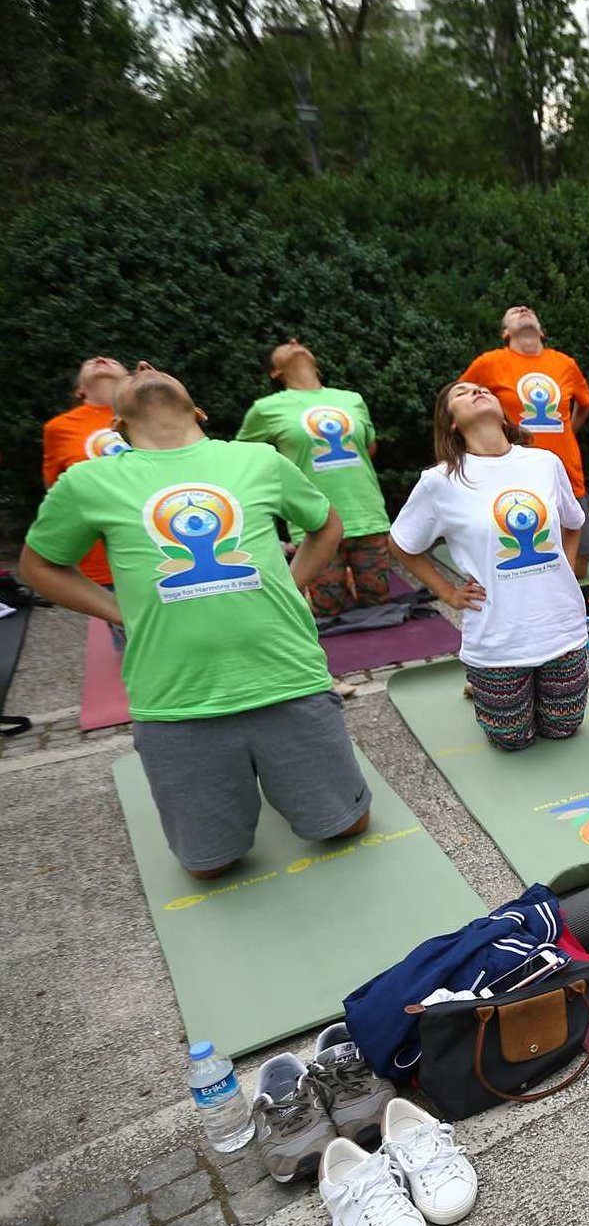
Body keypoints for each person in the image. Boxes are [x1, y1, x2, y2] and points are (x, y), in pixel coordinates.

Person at [22, 364, 370, 876]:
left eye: (153, 367)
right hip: (175, 704)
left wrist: (288, 585)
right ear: (116, 423)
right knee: (210, 865)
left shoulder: (257, 459)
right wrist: (117, 611)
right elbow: (39, 566)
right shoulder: (88, 481)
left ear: (198, 410)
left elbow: (326, 526)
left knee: (343, 826)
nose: (143, 367)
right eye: (132, 370)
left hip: (290, 680)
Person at [391, 379, 589, 750]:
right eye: (462, 394)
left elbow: (573, 523)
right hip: (497, 638)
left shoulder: (544, 462)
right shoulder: (440, 482)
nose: (476, 391)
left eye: (481, 389)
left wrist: (565, 570)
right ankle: (482, 684)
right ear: (452, 423)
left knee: (564, 729)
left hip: (560, 628)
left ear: (502, 411)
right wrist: (448, 593)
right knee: (512, 740)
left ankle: (504, 690)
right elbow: (402, 544)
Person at [237, 339, 394, 618]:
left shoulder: (351, 399)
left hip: (366, 513)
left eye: (299, 342)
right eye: (285, 344)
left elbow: (369, 448)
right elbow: (242, 459)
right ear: (275, 372)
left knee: (378, 603)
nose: (294, 342)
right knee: (327, 609)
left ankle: (352, 584)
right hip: (314, 523)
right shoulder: (265, 409)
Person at [458, 306, 589, 499]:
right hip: (512, 479)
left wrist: (568, 432)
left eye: (529, 311)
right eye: (514, 313)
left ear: (541, 332)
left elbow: (585, 403)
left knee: (575, 529)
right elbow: (455, 402)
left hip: (565, 478)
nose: (523, 309)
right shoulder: (489, 363)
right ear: (505, 332)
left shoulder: (566, 364)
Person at [41, 356, 131, 588]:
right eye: (90, 361)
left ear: (130, 379)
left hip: (159, 545)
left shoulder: (151, 413)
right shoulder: (58, 428)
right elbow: (57, 493)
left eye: (112, 359)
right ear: (79, 389)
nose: (100, 359)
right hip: (103, 558)